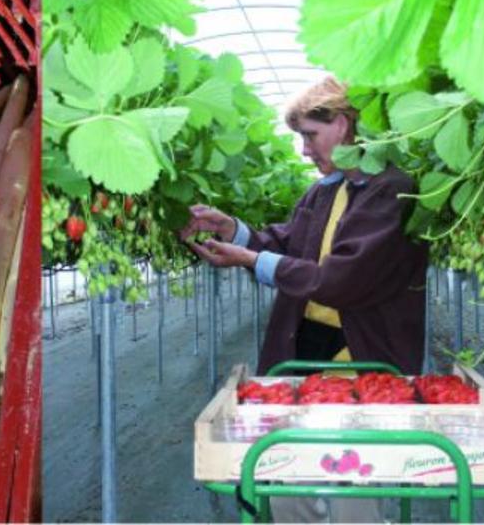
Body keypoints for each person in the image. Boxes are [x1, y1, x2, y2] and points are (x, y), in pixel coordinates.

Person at [181, 77, 428, 523]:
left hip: (363, 359)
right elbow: (286, 242)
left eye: (310, 136)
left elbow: (342, 279)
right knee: (285, 479)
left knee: (355, 488)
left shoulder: (393, 190)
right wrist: (231, 229)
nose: (304, 149)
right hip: (304, 355)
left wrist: (252, 258)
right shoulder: (325, 191)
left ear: (344, 123)